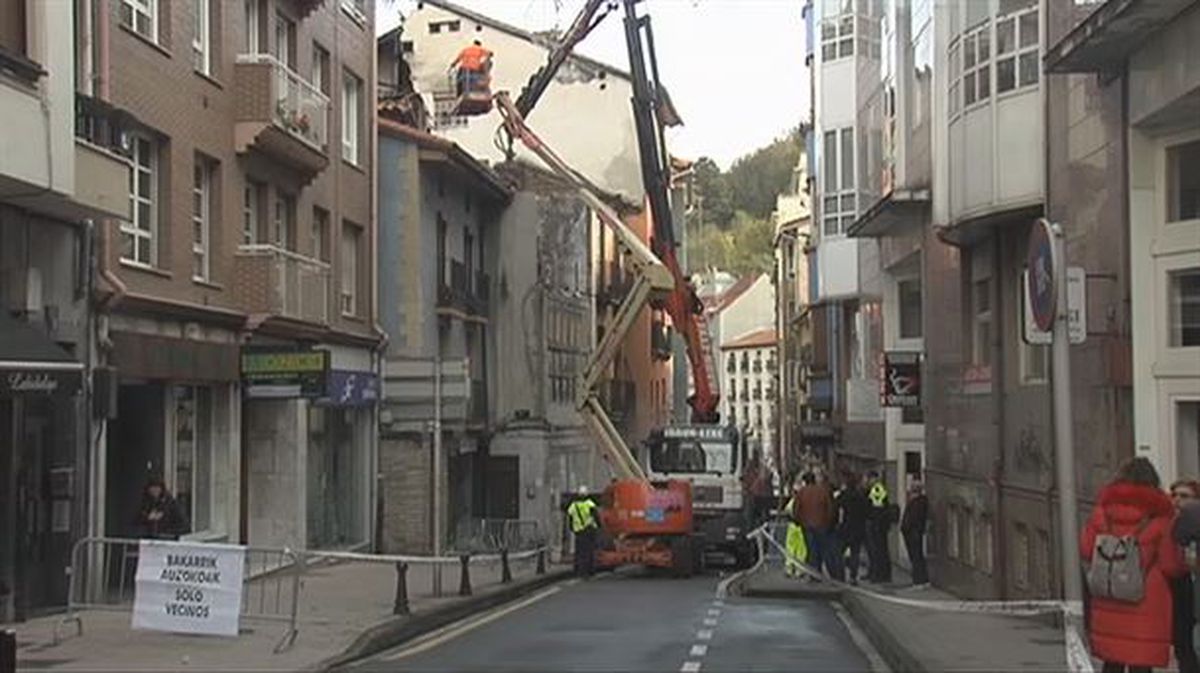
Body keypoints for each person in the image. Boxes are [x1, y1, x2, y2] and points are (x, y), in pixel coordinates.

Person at [1080, 457, 1185, 673]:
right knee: (1140, 662)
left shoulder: (1102, 511)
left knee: (1112, 661)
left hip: (1108, 595)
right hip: (1146, 599)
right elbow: (1169, 565)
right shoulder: (1161, 516)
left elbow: (1086, 549)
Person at [1170, 479, 1200, 673]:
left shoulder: (1191, 517)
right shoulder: (1166, 520)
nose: (1178, 500)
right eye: (1175, 495)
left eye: (1185, 496)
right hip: (1180, 588)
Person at [795, 472, 838, 578]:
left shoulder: (802, 492)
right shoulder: (823, 491)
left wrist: (798, 521)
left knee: (811, 549)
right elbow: (830, 508)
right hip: (822, 525)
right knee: (823, 549)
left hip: (807, 525)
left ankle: (814, 573)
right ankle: (831, 573)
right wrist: (828, 522)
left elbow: (796, 509)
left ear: (805, 481)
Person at [837, 472, 870, 584]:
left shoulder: (844, 495)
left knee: (838, 552)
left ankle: (840, 575)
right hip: (858, 529)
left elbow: (836, 507)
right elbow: (867, 511)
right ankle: (853, 577)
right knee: (855, 553)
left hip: (845, 528)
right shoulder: (860, 496)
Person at [900, 479, 930, 587]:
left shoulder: (918, 503)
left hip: (914, 533)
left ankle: (918, 581)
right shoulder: (918, 502)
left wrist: (907, 528)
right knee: (917, 556)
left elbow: (913, 518)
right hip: (913, 532)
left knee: (916, 557)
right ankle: (922, 580)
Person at [865, 471, 893, 583]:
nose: (867, 481)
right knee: (879, 550)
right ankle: (877, 573)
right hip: (879, 525)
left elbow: (876, 509)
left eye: (869, 479)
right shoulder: (877, 489)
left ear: (874, 479)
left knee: (879, 551)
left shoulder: (877, 490)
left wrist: (874, 523)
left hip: (877, 526)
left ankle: (880, 575)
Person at [567, 485, 600, 577]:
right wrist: (599, 526)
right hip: (589, 530)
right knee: (589, 551)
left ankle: (578, 571)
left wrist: (572, 528)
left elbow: (570, 518)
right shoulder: (590, 504)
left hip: (578, 532)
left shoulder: (573, 506)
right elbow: (596, 517)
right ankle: (589, 571)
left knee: (579, 552)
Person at [784, 481, 809, 578]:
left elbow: (787, 512)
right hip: (802, 527)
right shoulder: (804, 500)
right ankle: (799, 570)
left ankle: (789, 568)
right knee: (801, 549)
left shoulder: (792, 501)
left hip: (792, 526)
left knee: (791, 548)